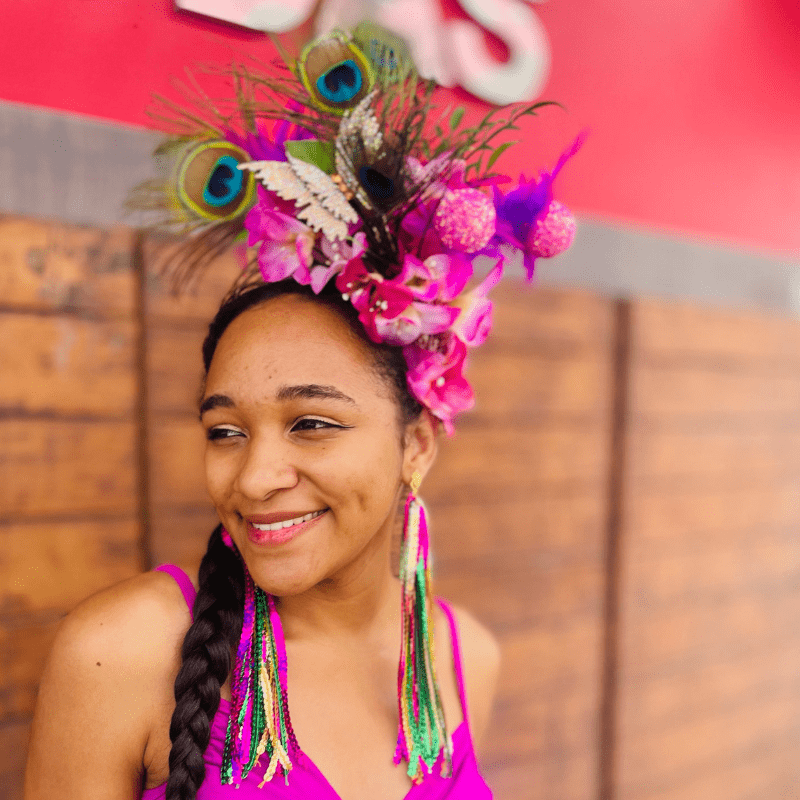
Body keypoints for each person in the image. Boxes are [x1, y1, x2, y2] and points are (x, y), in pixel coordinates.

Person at [25, 24, 580, 800]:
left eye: (312, 423)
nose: (253, 478)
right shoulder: (122, 651)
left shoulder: (462, 660)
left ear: (417, 442)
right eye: (225, 431)